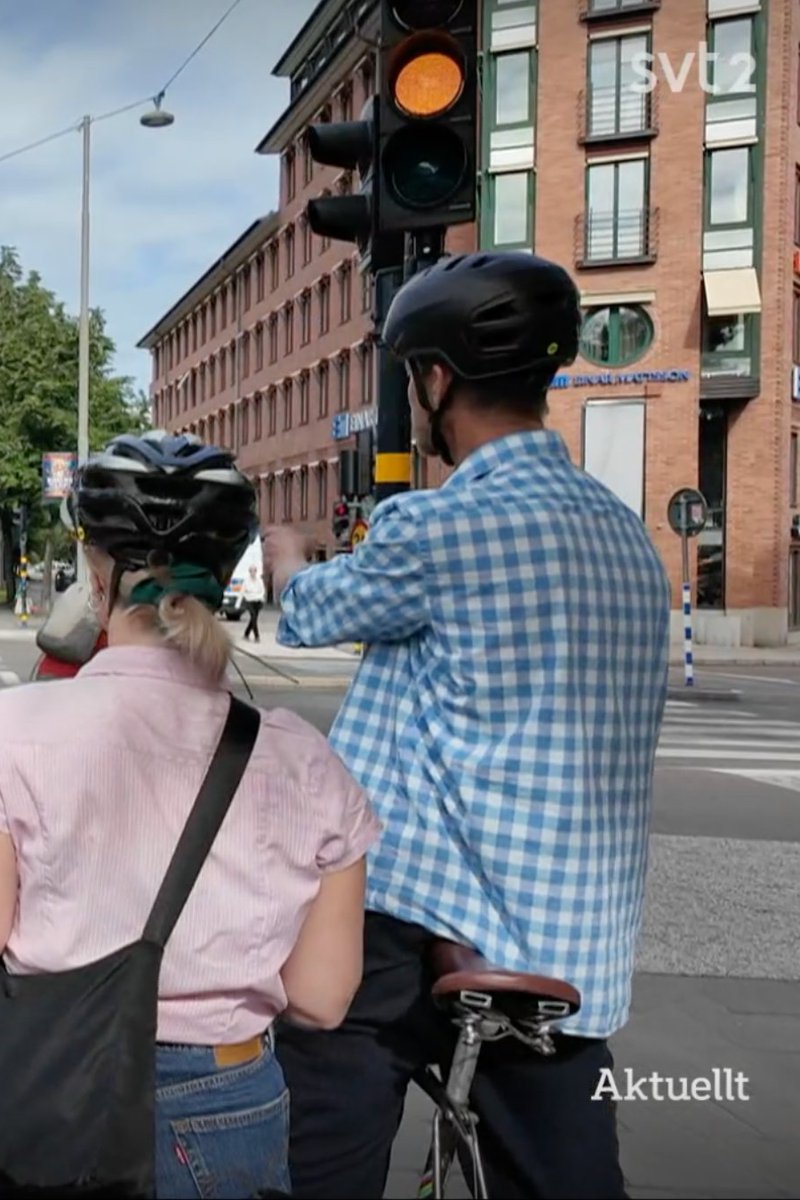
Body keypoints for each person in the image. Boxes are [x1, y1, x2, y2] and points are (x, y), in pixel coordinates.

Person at [0, 430, 381, 1200]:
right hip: (230, 1106)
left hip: (57, 1095)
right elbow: (322, 997)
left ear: (96, 581)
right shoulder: (306, 760)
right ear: (222, 577)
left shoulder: (10, 728)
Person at [263, 251, 672, 1200]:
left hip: (415, 935)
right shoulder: (628, 538)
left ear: (435, 378)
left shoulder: (440, 527)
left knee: (317, 1111)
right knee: (566, 1169)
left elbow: (316, 613)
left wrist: (287, 556)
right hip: (566, 952)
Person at [242, 564, 266, 643]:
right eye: (251, 571)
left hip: (257, 601)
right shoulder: (246, 581)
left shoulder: (259, 580)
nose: (253, 572)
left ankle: (246, 633)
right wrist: (248, 596)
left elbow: (262, 591)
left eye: (254, 571)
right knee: (253, 617)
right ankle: (257, 636)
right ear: (249, 572)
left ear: (256, 572)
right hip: (249, 601)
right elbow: (243, 591)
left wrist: (259, 596)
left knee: (254, 619)